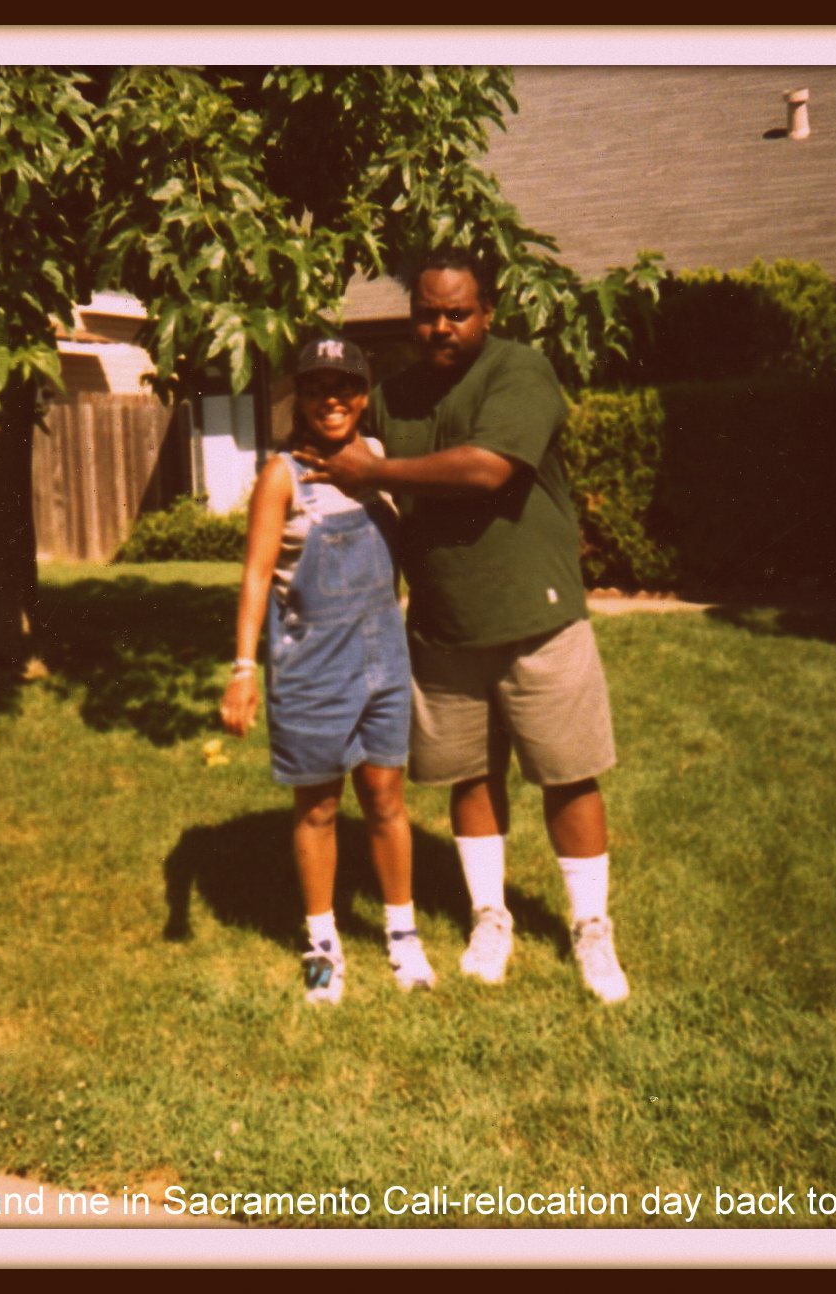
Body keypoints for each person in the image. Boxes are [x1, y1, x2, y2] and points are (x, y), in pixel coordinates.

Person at [295, 246, 630, 1004]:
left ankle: (591, 928)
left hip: (536, 613)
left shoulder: (520, 371)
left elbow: (488, 468)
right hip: (443, 625)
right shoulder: (396, 395)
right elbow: (336, 448)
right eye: (427, 314)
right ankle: (489, 917)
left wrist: (376, 472)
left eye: (458, 313)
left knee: (567, 774)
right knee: (470, 776)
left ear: (487, 313)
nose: (441, 327)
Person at [219, 337, 437, 1005]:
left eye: (344, 387)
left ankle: (402, 934)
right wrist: (243, 669)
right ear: (301, 399)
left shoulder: (380, 461)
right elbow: (256, 576)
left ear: (364, 397)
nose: (331, 400)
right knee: (316, 809)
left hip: (383, 659)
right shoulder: (280, 475)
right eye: (317, 388)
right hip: (311, 667)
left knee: (385, 799)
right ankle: (321, 946)